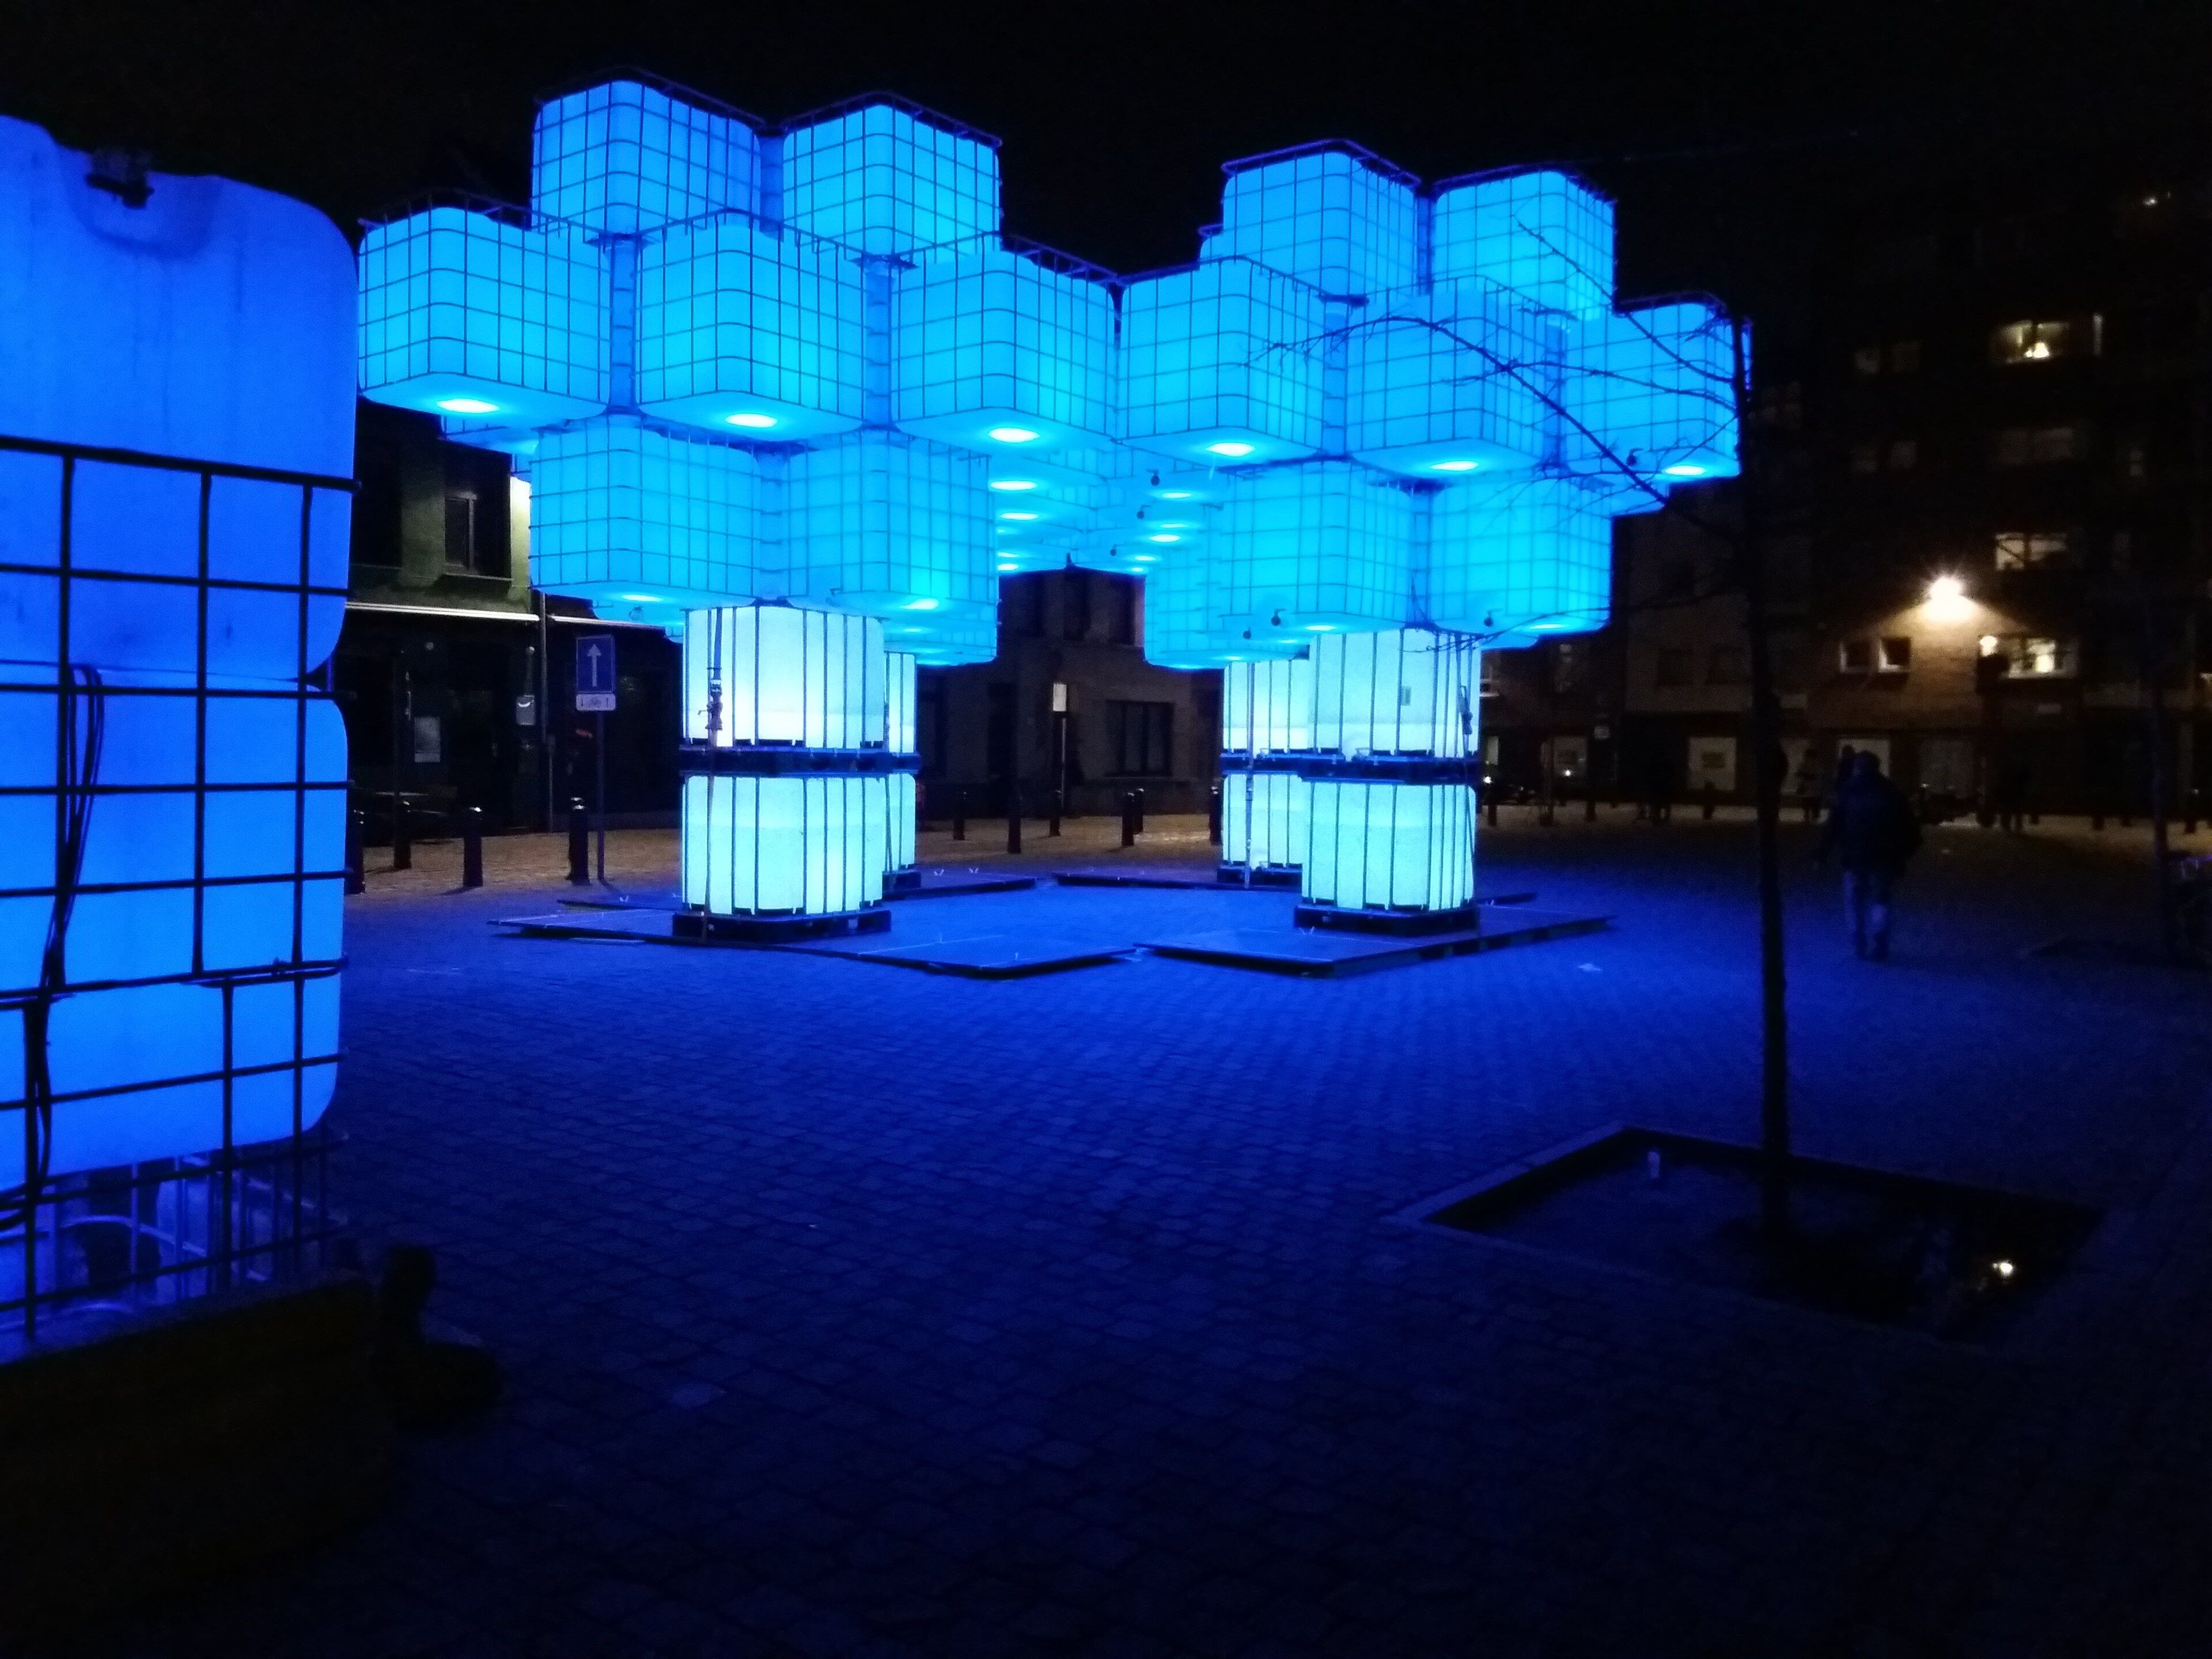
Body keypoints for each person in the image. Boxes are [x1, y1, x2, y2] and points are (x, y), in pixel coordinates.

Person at [1819, 750, 1921, 960]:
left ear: (1856, 769)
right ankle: (1879, 939)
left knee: (1855, 899)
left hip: (1854, 855)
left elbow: (1834, 826)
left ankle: (1858, 938)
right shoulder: (1892, 793)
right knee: (1881, 898)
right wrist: (1903, 854)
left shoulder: (1847, 792)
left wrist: (1822, 853)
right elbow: (1909, 828)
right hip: (1885, 856)